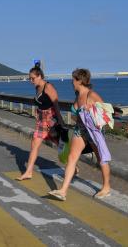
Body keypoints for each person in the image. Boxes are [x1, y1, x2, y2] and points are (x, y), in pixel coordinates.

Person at [48, 68, 112, 201]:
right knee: (72, 158)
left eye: (73, 79)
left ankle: (106, 187)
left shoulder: (91, 95)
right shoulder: (78, 95)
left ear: (79, 80)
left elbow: (106, 112)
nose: (71, 82)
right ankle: (63, 191)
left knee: (101, 158)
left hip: (93, 131)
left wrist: (93, 108)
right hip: (79, 130)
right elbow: (78, 114)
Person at [16, 64, 65, 181]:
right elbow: (40, 102)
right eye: (30, 78)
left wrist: (61, 123)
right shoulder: (37, 87)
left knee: (61, 146)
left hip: (50, 120)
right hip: (41, 119)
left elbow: (56, 104)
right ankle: (28, 172)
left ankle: (74, 166)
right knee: (34, 145)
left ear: (40, 76)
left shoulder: (48, 87)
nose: (31, 81)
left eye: (33, 78)